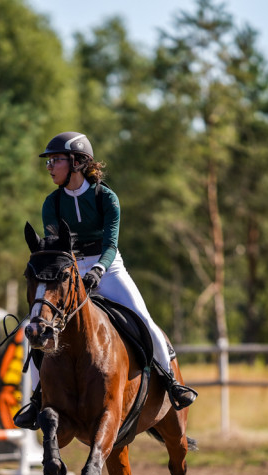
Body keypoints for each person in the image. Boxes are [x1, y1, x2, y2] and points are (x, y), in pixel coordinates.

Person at [13, 131, 197, 430]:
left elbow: (111, 244)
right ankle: (37, 399)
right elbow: (56, 249)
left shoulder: (106, 198)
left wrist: (98, 269)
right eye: (49, 162)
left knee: (144, 320)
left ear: (76, 162)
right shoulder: (52, 203)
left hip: (108, 268)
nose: (49, 167)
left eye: (55, 161)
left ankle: (172, 383)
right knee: (37, 329)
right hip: (70, 271)